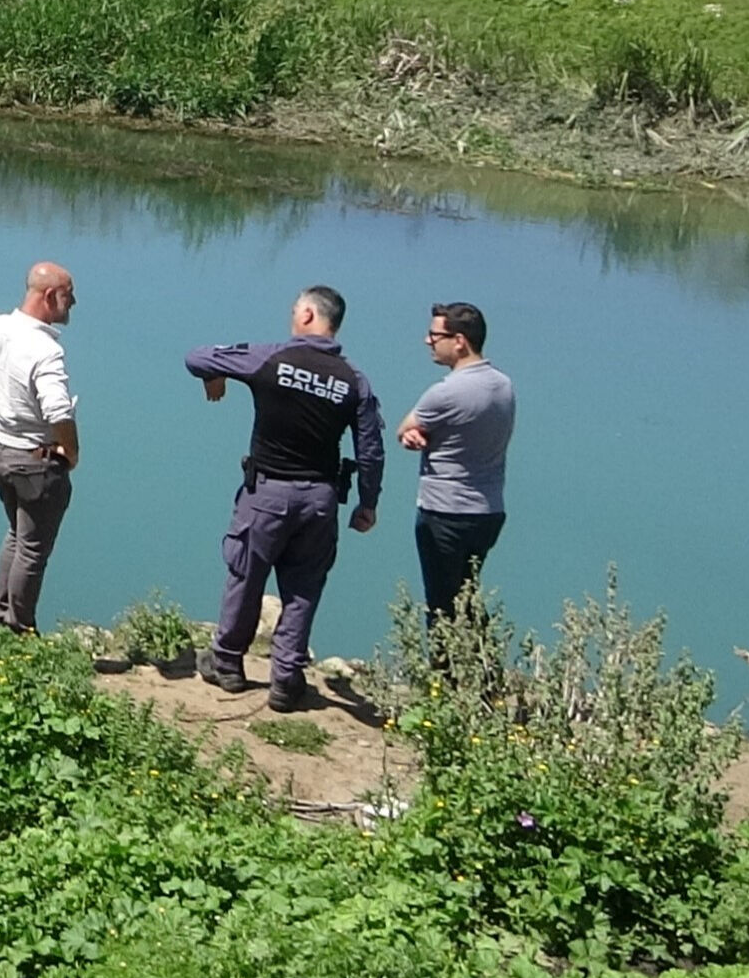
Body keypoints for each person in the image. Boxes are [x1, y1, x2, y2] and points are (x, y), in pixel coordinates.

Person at [181, 283, 383, 709]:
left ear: (308, 316)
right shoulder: (354, 380)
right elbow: (370, 449)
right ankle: (286, 680)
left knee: (245, 575)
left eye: (295, 310)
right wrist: (368, 503)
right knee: (304, 587)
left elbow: (195, 357)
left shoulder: (270, 357)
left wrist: (217, 373)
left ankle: (229, 664)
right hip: (320, 500)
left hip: (267, 494)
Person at [0, 261, 80, 634]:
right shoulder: (45, 351)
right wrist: (71, 452)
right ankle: (20, 630)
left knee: (16, 536)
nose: (73, 303)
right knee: (33, 550)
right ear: (49, 296)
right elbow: (57, 409)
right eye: (69, 295)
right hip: (35, 463)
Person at [400, 300, 515, 618]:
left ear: (459, 341)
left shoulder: (446, 392)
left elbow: (404, 426)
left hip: (445, 512)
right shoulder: (504, 386)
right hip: (488, 511)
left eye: (435, 336)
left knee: (441, 607)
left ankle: (443, 669)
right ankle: (481, 666)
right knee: (467, 600)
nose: (428, 342)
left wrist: (414, 435)